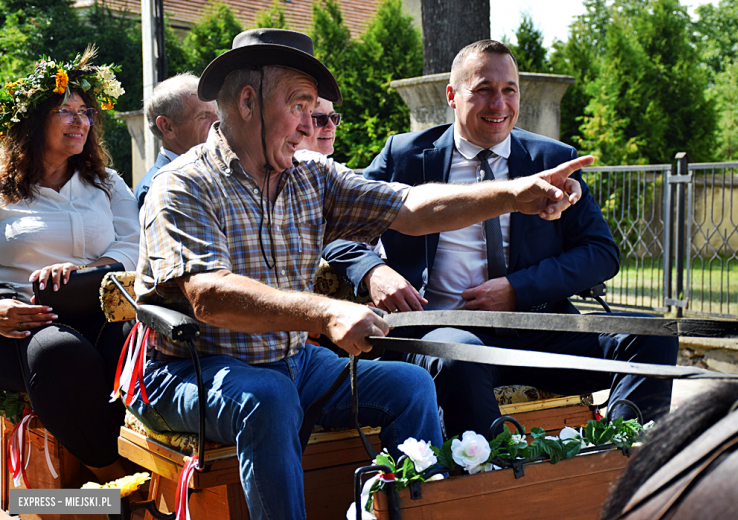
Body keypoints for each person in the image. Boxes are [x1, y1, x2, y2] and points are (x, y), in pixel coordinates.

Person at [130, 28, 591, 519]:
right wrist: (326, 310)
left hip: (293, 362)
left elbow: (410, 206)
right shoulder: (179, 185)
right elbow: (210, 296)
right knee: (268, 397)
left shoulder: (311, 174)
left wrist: (512, 193)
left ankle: (412, 513)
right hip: (187, 370)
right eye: (300, 106)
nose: (310, 126)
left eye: (314, 110)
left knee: (410, 387)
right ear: (248, 101)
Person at [323, 39, 679, 439]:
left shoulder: (551, 160)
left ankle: (622, 458)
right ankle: (491, 480)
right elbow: (332, 224)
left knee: (652, 335)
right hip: (444, 332)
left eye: (509, 90)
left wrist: (517, 289)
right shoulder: (405, 156)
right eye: (484, 90)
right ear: (452, 96)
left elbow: (601, 253)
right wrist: (373, 271)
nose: (499, 104)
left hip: (540, 331)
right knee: (457, 355)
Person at [0, 49, 140, 483]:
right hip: (20, 324)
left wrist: (88, 270)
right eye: (66, 111)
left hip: (97, 310)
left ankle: (153, 460)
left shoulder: (107, 182)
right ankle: (114, 481)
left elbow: (135, 246)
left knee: (139, 339)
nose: (81, 121)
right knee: (61, 352)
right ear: (33, 121)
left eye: (85, 113)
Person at [133, 72, 218, 207]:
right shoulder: (157, 188)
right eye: (204, 116)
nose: (218, 123)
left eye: (217, 113)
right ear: (167, 127)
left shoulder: (217, 172)